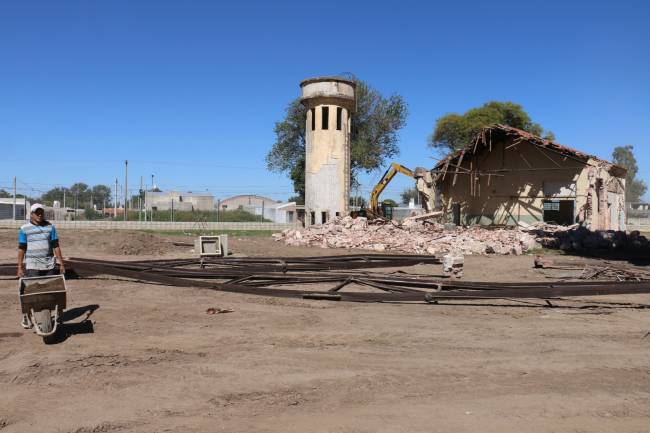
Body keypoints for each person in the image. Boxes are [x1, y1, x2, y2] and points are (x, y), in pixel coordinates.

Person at [17, 203, 65, 329]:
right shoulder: (24, 229)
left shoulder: (50, 227)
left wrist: (61, 263)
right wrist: (19, 267)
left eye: (41, 212)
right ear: (31, 214)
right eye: (36, 212)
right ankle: (27, 317)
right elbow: (22, 249)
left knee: (53, 292)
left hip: (49, 265)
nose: (39, 214)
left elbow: (55, 245)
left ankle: (58, 314)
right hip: (33, 266)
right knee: (29, 294)